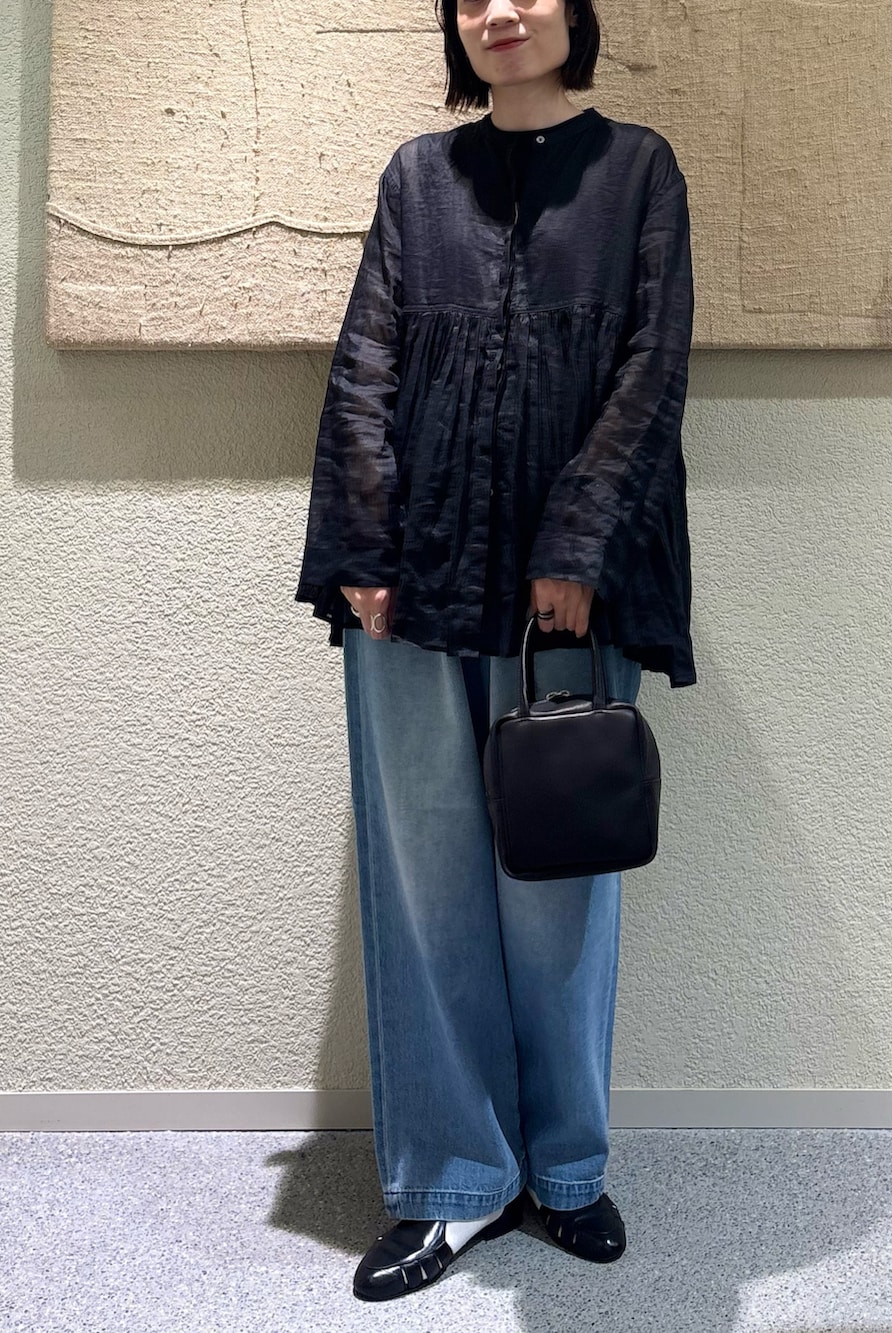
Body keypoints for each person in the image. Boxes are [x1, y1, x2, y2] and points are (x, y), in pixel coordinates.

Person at [294, 0, 696, 1303]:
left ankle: (567, 1170)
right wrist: (361, 546)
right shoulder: (417, 178)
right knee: (426, 893)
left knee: (561, 892)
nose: (499, 12)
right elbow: (364, 364)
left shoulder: (639, 171)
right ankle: (454, 1181)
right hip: (410, 585)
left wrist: (577, 541)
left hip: (571, 601)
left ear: (576, 11)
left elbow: (654, 364)